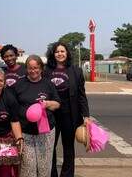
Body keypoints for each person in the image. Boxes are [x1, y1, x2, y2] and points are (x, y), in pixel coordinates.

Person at [45, 42, 90, 177]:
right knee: (50, 147)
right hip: (50, 115)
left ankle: (67, 174)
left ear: (67, 53)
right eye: (57, 52)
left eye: (62, 51)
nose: (60, 54)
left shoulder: (76, 71)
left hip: (69, 115)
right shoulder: (46, 70)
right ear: (53, 54)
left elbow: (82, 95)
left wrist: (86, 116)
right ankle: (51, 174)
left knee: (68, 148)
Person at [11, 55, 61, 177]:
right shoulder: (19, 84)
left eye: (36, 68)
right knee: (28, 167)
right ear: (26, 69)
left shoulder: (48, 84)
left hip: (46, 133)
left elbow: (57, 104)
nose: (33, 71)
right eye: (30, 68)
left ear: (41, 68)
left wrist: (47, 104)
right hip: (25, 133)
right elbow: (12, 107)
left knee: (44, 167)